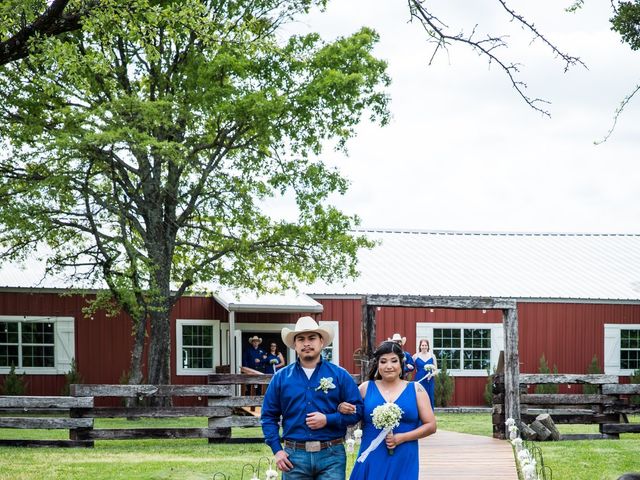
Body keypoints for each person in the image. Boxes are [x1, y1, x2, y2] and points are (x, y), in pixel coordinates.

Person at [261, 316, 363, 479]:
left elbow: (358, 411)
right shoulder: (281, 378)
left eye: (312, 338)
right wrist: (277, 450)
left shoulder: (339, 375)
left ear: (321, 342)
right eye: (301, 339)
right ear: (295, 344)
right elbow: (268, 416)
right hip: (293, 457)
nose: (306, 343)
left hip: (332, 456)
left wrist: (329, 419)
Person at [339, 340, 436, 480]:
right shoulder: (365, 388)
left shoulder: (416, 390)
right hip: (372, 456)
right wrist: (341, 407)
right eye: (383, 361)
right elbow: (349, 414)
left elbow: (431, 426)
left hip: (404, 456)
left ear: (401, 364)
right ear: (377, 365)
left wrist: (401, 438)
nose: (389, 366)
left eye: (394, 361)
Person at [413, 338, 438, 410]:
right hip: (419, 379)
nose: (424, 347)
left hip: (429, 379)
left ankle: (430, 414)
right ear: (420, 346)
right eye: (422, 345)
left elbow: (436, 370)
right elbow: (410, 365)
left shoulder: (432, 356)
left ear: (428, 346)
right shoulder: (415, 356)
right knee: (419, 396)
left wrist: (431, 375)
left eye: (425, 345)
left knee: (429, 396)